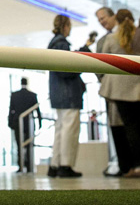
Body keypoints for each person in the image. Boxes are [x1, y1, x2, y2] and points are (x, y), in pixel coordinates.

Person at [98, 8, 140, 177]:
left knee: (129, 127)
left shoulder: (112, 38)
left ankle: (137, 167)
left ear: (116, 19)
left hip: (119, 89)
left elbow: (103, 61)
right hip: (139, 87)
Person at [47, 14, 95, 178]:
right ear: (66, 26)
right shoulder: (62, 44)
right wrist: (82, 59)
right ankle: (65, 165)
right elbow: (66, 69)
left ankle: (55, 165)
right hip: (68, 94)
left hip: (58, 94)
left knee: (60, 130)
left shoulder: (53, 44)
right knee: (69, 131)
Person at [95, 7, 134, 177]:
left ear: (113, 16)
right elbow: (98, 66)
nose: (102, 22)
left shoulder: (122, 36)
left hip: (126, 89)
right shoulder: (103, 40)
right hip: (113, 91)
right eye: (99, 20)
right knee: (118, 127)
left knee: (129, 127)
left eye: (103, 18)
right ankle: (126, 165)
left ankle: (132, 165)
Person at [8, 77, 42, 173]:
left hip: (17, 123)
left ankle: (21, 165)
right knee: (29, 144)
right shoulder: (32, 95)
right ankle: (28, 165)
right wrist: (40, 123)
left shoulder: (15, 95)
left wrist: (10, 123)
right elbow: (37, 111)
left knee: (19, 145)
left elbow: (11, 110)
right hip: (29, 124)